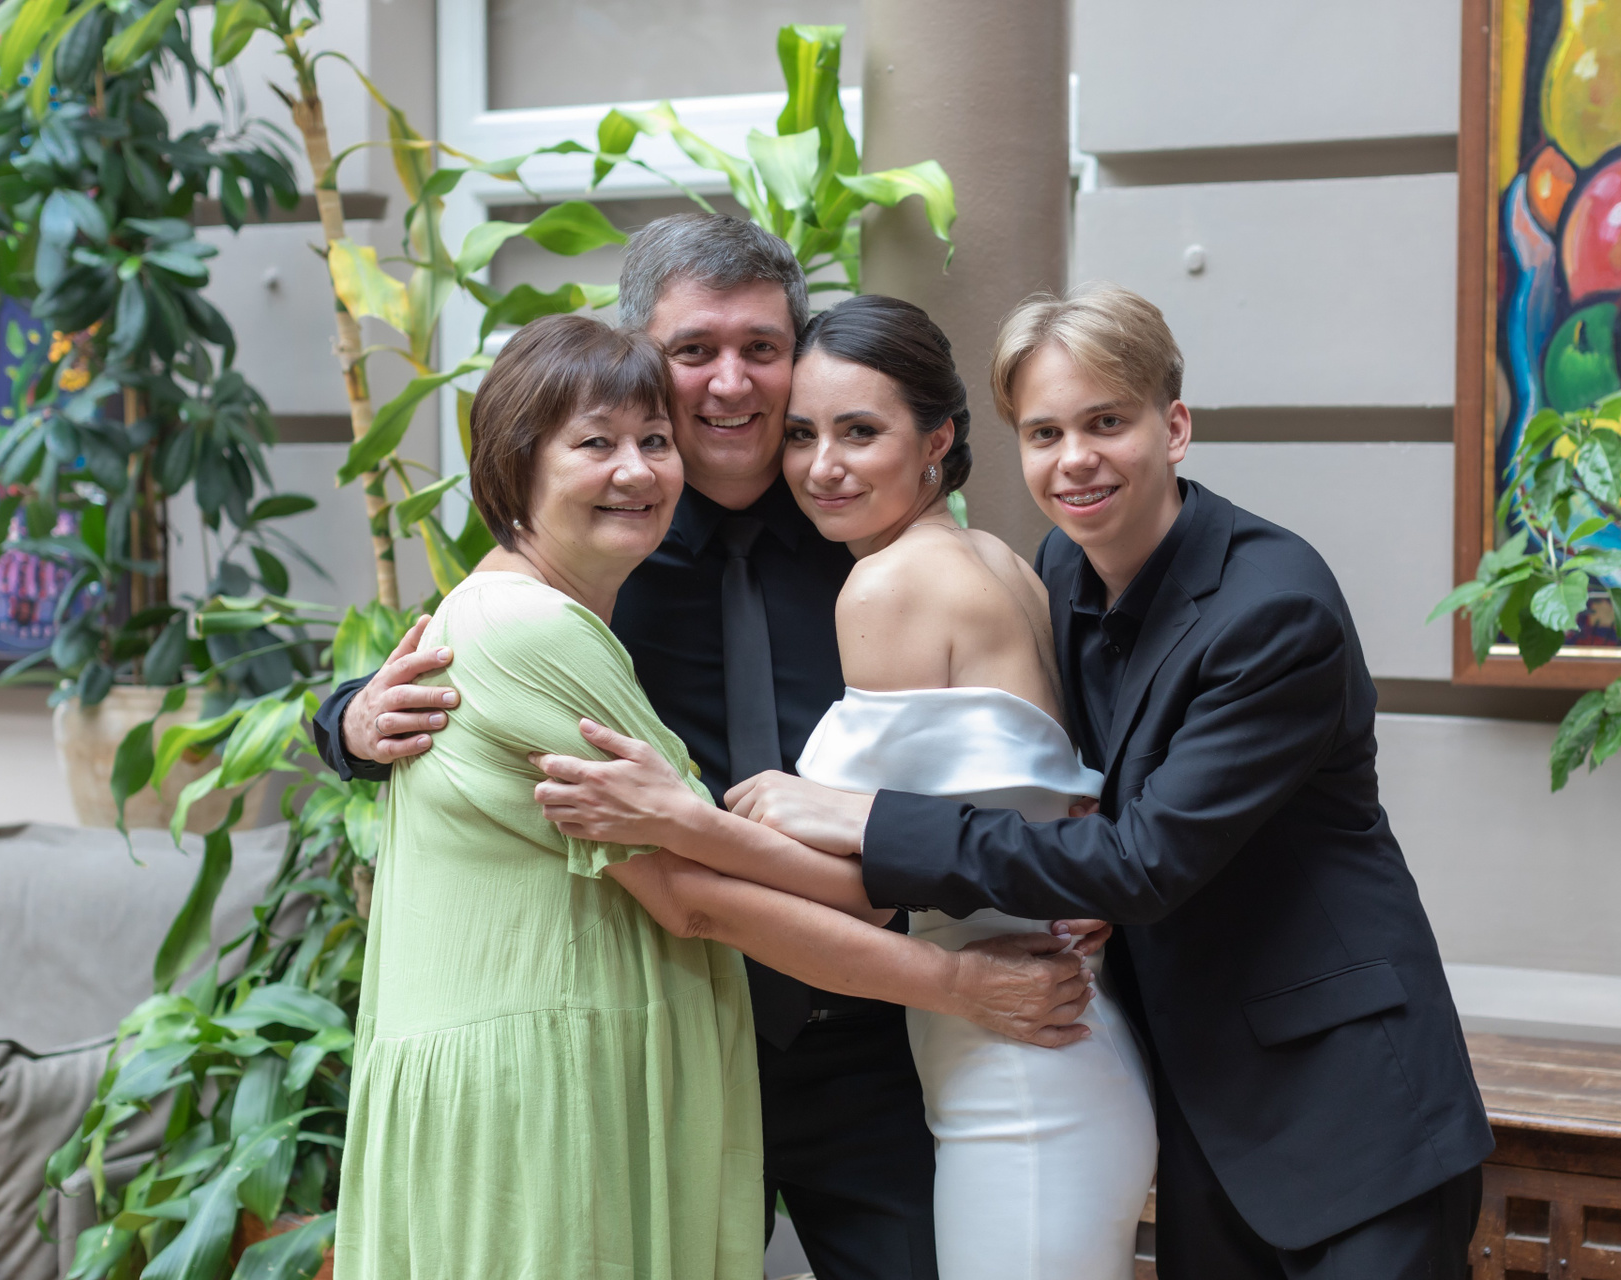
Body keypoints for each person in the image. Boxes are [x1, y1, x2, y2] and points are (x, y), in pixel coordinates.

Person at [313, 214, 1090, 1279]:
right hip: (669, 1031)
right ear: (644, 358)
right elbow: (467, 659)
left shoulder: (864, 529)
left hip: (871, 1028)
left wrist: (1079, 858)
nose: (731, 382)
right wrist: (352, 722)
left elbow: (1017, 731)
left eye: (761, 348)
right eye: (694, 351)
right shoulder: (599, 536)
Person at [689, 285, 1496, 1277]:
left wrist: (862, 817)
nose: (1075, 458)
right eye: (1046, 432)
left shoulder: (1274, 606)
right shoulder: (1059, 572)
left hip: (1346, 1107)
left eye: (1106, 422)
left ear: (1175, 427)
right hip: (1187, 1092)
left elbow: (1141, 861)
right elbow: (1075, 802)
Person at [533, 294, 1159, 1280]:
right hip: (1031, 1037)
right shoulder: (1002, 557)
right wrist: (355, 722)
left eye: (860, 432)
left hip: (1007, 1047)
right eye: (803, 435)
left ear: (937, 440)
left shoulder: (883, 582)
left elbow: (870, 889)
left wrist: (677, 819)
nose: (822, 465)